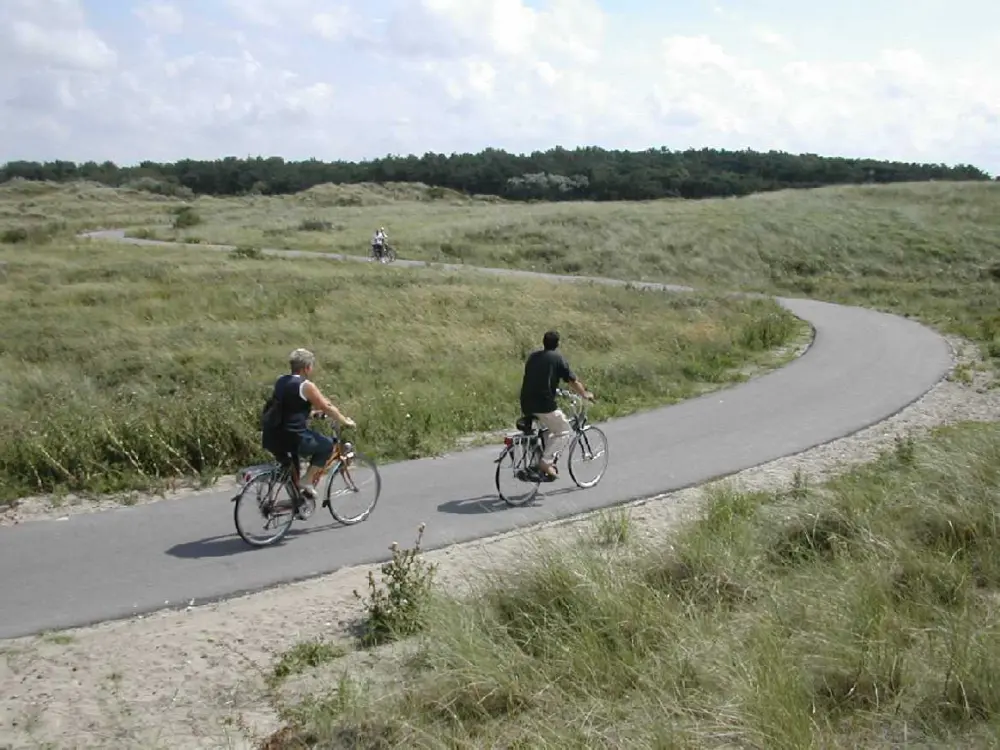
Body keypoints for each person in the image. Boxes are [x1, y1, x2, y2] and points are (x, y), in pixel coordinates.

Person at [263, 348, 356, 503]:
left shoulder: (281, 381)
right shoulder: (305, 385)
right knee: (326, 445)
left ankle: (296, 503)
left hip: (272, 436)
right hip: (292, 437)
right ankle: (306, 481)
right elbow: (326, 406)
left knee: (292, 468)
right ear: (307, 368)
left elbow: (288, 407)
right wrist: (345, 420)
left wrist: (311, 414)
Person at [518, 330, 593, 480]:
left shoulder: (533, 357)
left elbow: (537, 378)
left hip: (526, 401)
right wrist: (585, 394)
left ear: (543, 342)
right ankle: (545, 463)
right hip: (543, 403)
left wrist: (555, 390)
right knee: (564, 431)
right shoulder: (557, 358)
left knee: (547, 431)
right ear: (558, 344)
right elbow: (572, 381)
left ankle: (540, 465)